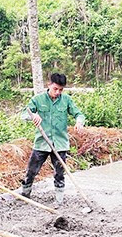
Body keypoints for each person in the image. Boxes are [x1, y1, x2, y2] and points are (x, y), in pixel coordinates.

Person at [20, 73, 85, 205]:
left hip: (60, 143)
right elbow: (24, 113)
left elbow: (79, 114)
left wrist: (79, 122)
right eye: (55, 89)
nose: (58, 92)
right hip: (41, 143)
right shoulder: (38, 99)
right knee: (31, 170)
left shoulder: (66, 100)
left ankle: (59, 200)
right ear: (49, 85)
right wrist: (33, 116)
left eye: (61, 90)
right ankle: (26, 194)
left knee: (59, 173)